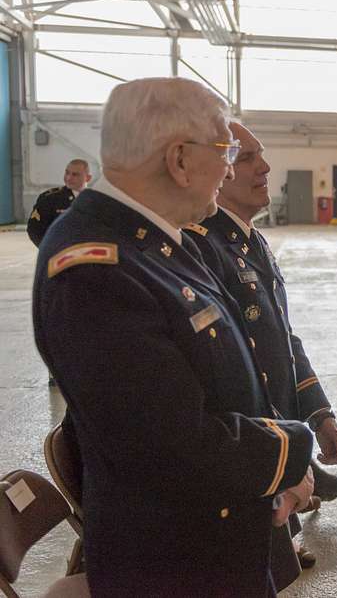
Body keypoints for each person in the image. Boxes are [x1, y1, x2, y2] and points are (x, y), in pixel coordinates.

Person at [33, 77, 316, 597]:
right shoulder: (96, 270)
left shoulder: (157, 239)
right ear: (180, 160)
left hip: (220, 536)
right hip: (176, 560)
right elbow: (173, 445)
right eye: (226, 149)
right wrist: (291, 450)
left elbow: (232, 369)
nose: (231, 167)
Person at [187, 121, 337, 570]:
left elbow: (281, 337)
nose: (264, 167)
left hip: (273, 446)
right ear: (217, 171)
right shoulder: (203, 248)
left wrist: (318, 413)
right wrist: (282, 455)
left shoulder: (247, 240)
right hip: (250, 457)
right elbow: (227, 377)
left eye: (260, 155)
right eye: (246, 158)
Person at [27, 158, 92, 246]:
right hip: (60, 254)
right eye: (67, 173)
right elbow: (35, 230)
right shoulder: (50, 198)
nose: (69, 178)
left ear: (88, 178)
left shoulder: (96, 199)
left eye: (75, 175)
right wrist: (49, 251)